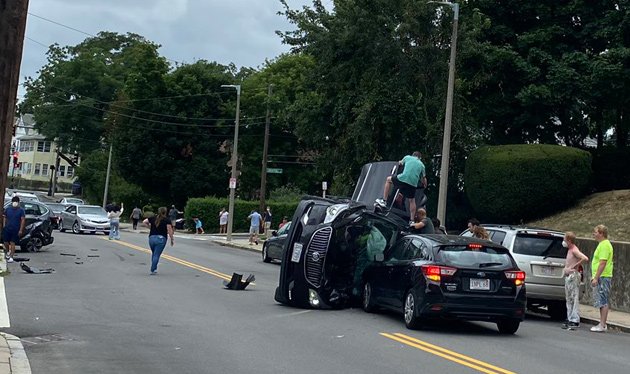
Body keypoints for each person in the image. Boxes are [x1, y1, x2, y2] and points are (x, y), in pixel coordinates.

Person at [376, 151, 426, 222]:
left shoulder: (407, 157)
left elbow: (400, 163)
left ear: (413, 155)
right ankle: (411, 220)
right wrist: (424, 185)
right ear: (419, 158)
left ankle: (384, 201)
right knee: (412, 200)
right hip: (413, 184)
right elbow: (424, 178)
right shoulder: (422, 165)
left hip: (403, 178)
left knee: (388, 180)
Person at [562, 231, 589, 330]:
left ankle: (575, 319)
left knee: (574, 297)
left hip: (573, 276)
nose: (563, 241)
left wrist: (576, 265)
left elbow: (585, 258)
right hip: (568, 276)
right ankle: (569, 317)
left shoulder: (574, 250)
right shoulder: (569, 250)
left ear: (569, 240)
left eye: (565, 239)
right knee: (569, 298)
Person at [590, 224, 614, 332]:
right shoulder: (602, 244)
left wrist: (596, 277)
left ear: (601, 233)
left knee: (603, 300)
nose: (594, 234)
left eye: (595, 232)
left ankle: (603, 325)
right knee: (601, 300)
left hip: (603, 276)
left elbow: (602, 263)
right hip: (602, 276)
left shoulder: (604, 245)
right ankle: (602, 323)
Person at [143, 207, 174, 275]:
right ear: (165, 212)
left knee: (154, 254)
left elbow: (144, 222)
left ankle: (155, 268)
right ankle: (153, 269)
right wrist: (172, 239)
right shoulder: (167, 220)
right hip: (161, 238)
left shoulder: (153, 218)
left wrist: (150, 228)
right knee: (157, 254)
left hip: (151, 238)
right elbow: (169, 230)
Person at [2, 196, 25, 263]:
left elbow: (22, 220)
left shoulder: (21, 210)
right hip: (7, 228)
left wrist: (20, 230)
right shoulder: (8, 209)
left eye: (16, 202)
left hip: (15, 229)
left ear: (18, 203)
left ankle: (11, 256)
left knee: (12, 242)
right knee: (5, 242)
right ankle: (8, 251)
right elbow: (5, 217)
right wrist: (4, 225)